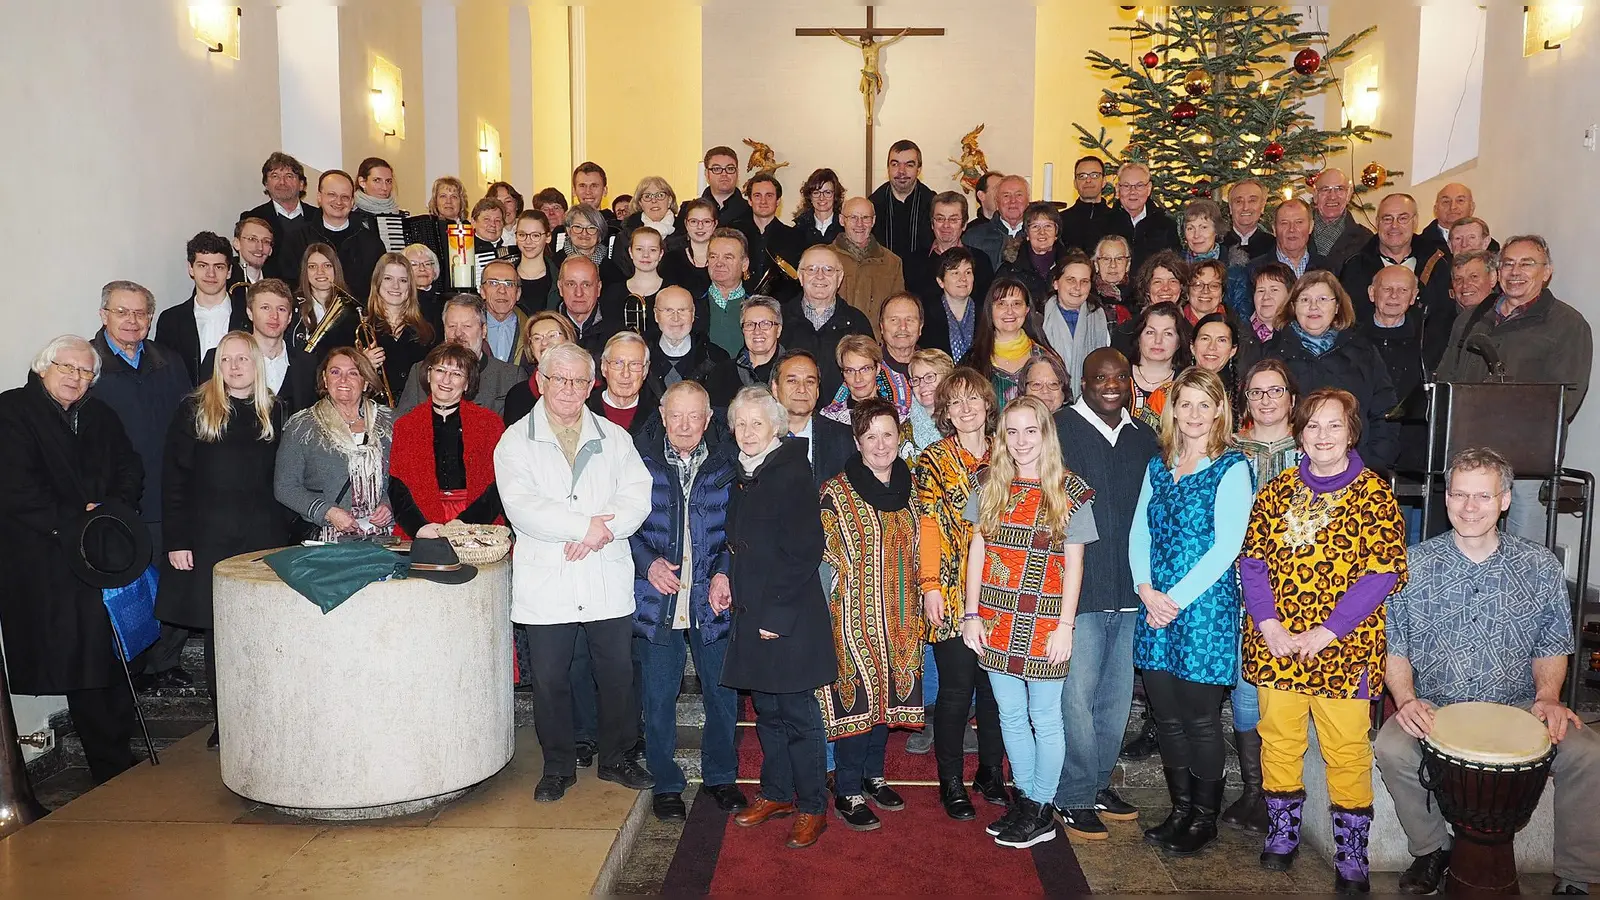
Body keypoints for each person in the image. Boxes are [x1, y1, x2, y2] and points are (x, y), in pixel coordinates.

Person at [1376, 447, 1600, 896]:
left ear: (1504, 500)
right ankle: (1432, 849)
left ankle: (1578, 875)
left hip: (1519, 705)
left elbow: (1552, 644)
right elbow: (1393, 645)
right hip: (1438, 704)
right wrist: (1406, 699)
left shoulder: (1540, 567)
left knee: (1587, 753)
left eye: (1482, 496)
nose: (1469, 507)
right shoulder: (1412, 565)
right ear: (1447, 499)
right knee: (1392, 747)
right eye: (1460, 495)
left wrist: (1549, 698)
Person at [1240, 387, 1408, 893]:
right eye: (1312, 425)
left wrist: (1327, 630)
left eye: (1334, 425)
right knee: (1279, 739)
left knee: (1348, 749)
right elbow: (1252, 563)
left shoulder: (1374, 493)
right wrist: (1269, 625)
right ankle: (1283, 833)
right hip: (1278, 644)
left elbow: (1382, 573)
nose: (1322, 436)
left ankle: (1351, 851)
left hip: (1344, 647)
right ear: (1299, 432)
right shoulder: (1278, 490)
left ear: (1351, 432)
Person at [493, 342, 654, 803]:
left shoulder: (615, 438)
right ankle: (558, 766)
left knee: (617, 672)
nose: (568, 388)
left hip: (604, 574)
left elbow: (637, 496)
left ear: (591, 385)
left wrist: (597, 534)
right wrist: (585, 527)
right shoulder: (515, 441)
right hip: (549, 578)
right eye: (558, 379)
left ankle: (618, 758)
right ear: (541, 382)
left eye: (578, 380)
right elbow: (523, 508)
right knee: (550, 679)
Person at [0, 335, 143, 784]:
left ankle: (118, 754)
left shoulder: (99, 415)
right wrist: (71, 519)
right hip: (46, 559)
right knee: (79, 660)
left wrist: (111, 512)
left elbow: (130, 467)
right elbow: (15, 486)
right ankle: (109, 763)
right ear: (44, 367)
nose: (77, 378)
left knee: (111, 652)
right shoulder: (11, 412)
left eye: (86, 373)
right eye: (68, 368)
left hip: (99, 549)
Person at [963, 395, 1097, 849]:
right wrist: (971, 613)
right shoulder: (988, 485)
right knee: (1010, 716)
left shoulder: (1069, 490)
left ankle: (1041, 806)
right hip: (997, 620)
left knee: (1045, 717)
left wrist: (1066, 626)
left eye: (1031, 431)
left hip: (1044, 623)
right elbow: (977, 552)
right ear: (1002, 437)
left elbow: (1074, 566)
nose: (1021, 441)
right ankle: (1025, 798)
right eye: (1012, 432)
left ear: (1046, 434)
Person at [1128, 367, 1252, 857]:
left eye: (1206, 404)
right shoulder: (1159, 464)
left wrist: (1173, 599)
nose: (1195, 414)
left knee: (1200, 720)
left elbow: (1227, 546)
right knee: (1168, 718)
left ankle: (1205, 818)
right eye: (1186, 404)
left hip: (1203, 612)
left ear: (1220, 410)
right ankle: (1180, 809)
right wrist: (1145, 588)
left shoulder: (1232, 468)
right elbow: (1140, 529)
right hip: (1154, 607)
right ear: (1172, 409)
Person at [158, 330, 287, 749]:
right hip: (208, 538)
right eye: (226, 360)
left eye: (243, 359)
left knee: (264, 633)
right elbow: (173, 481)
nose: (234, 367)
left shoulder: (276, 410)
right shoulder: (195, 410)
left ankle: (266, 717)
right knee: (220, 636)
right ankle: (225, 721)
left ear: (256, 363)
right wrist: (177, 540)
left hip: (262, 540)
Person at [1051, 348, 1161, 840]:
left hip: (1132, 589)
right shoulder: (1058, 428)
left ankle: (1097, 785)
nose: (1112, 384)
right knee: (1076, 699)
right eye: (1101, 377)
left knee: (1115, 702)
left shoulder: (1145, 437)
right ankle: (1072, 794)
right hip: (1079, 591)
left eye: (1120, 377)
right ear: (1083, 381)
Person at [722, 386, 835, 850]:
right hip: (754, 615)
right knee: (767, 711)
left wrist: (777, 616)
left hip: (786, 617)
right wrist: (723, 576)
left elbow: (806, 551)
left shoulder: (790, 473)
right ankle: (775, 793)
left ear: (776, 428)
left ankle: (811, 806)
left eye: (757, 423)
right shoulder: (746, 473)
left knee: (797, 714)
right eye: (741, 423)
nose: (748, 432)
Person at [631, 380, 747, 822]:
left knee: (722, 695)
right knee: (658, 699)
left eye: (694, 415)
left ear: (708, 419)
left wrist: (724, 571)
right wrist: (648, 563)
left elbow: (738, 529)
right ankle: (666, 783)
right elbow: (624, 526)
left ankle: (721, 778)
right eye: (675, 414)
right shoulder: (638, 463)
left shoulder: (727, 464)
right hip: (656, 600)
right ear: (662, 415)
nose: (684, 424)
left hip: (711, 601)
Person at [1437, 235, 1593, 541]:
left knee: (1523, 543)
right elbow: (1446, 378)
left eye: (1527, 263)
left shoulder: (1567, 324)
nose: (1515, 271)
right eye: (1508, 263)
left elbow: (1567, 399)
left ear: (1546, 272)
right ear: (1497, 272)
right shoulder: (1471, 319)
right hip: (1467, 452)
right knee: (1466, 535)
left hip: (1527, 460)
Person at [818, 397, 924, 831]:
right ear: (857, 441)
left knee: (890, 700)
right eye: (870, 436)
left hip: (904, 617)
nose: (880, 445)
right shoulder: (835, 492)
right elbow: (822, 562)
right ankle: (846, 788)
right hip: (852, 616)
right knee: (857, 702)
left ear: (900, 437)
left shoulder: (915, 488)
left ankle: (874, 775)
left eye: (888, 434)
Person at [910, 368, 1005, 815]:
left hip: (1004, 591)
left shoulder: (1009, 452)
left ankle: (991, 773)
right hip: (949, 588)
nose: (966, 409)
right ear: (945, 412)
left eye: (973, 400)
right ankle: (950, 781)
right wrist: (929, 586)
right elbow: (926, 525)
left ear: (988, 405)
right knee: (956, 689)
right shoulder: (931, 460)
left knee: (995, 691)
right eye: (955, 403)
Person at [92, 281, 195, 687]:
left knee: (177, 586)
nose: (133, 321)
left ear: (151, 318)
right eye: (123, 312)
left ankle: (164, 662)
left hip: (169, 496)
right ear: (104, 315)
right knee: (129, 592)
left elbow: (189, 424)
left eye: (140, 313)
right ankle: (134, 669)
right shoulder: (88, 365)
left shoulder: (169, 361)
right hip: (116, 501)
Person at [1220, 357, 1302, 835]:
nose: (1267, 399)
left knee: (1284, 686)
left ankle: (1280, 788)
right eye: (1257, 391)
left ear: (1292, 397)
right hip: (1239, 578)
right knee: (1247, 682)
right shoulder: (1230, 450)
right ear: (1245, 399)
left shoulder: (1315, 448)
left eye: (1275, 391)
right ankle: (1254, 790)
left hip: (1299, 585)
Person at [1259, 271, 1399, 470]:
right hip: (1290, 467)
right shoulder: (1273, 354)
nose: (1313, 306)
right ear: (1293, 307)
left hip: (1357, 466)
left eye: (1323, 299)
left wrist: (1373, 460)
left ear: (1337, 307)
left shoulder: (1363, 352)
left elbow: (1385, 410)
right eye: (1305, 299)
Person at [273, 348, 395, 542]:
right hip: (327, 539)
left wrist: (390, 505)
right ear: (325, 378)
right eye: (335, 372)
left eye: (353, 373)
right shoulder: (302, 426)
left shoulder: (391, 422)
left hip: (385, 539)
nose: (343, 380)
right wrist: (327, 512)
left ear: (365, 382)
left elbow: (408, 478)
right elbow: (285, 487)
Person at [389, 342, 504, 541]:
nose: (446, 380)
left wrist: (466, 522)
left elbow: (501, 484)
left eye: (457, 374)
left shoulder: (490, 423)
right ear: (428, 374)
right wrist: (418, 527)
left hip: (477, 523)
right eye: (440, 370)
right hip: (424, 523)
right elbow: (397, 486)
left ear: (467, 383)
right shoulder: (406, 425)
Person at [201, 279, 318, 418]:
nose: (274, 316)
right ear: (249, 313)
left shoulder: (308, 364)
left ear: (290, 317)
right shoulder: (217, 358)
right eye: (265, 308)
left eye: (281, 309)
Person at [396, 294, 521, 417]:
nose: (458, 333)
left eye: (467, 326)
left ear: (484, 331)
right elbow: (402, 426)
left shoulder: (510, 377)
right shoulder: (420, 371)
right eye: (452, 326)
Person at [781, 245, 875, 405]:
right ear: (800, 276)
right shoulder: (779, 320)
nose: (820, 276)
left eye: (828, 270)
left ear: (840, 277)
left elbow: (869, 377)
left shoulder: (857, 322)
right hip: (791, 419)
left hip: (846, 419)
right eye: (811, 269)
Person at [155, 231, 251, 383]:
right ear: (191, 268)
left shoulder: (249, 315)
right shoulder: (170, 320)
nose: (210, 274)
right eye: (203, 266)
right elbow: (164, 376)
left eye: (218, 267)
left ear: (229, 271)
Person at [1338, 193, 1449, 324]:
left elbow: (1445, 319)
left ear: (1415, 221)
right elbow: (1347, 319)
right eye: (1387, 219)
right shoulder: (1355, 266)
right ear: (1377, 222)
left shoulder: (1436, 264)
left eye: (1402, 218)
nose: (1394, 226)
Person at [275, 170, 386, 298]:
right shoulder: (296, 239)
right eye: (332, 194)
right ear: (319, 197)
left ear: (352, 202)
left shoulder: (372, 243)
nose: (338, 202)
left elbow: (379, 289)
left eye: (345, 197)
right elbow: (288, 287)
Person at [770, 349, 855, 491]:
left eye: (810, 382)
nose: (802, 389)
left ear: (817, 390)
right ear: (775, 388)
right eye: (792, 381)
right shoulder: (759, 436)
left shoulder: (842, 437)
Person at [362, 252, 439, 403]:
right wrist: (362, 365)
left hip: (419, 412)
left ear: (410, 287)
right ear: (377, 282)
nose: (395, 286)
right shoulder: (360, 327)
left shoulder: (429, 329)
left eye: (403, 280)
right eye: (388, 278)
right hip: (376, 414)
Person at [967, 276, 1056, 405]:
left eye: (1016, 304)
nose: (1009, 311)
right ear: (990, 310)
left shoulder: (1047, 358)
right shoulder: (972, 361)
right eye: (1001, 304)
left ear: (1027, 310)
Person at [1040, 251, 1112, 395]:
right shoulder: (1038, 318)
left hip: (1092, 400)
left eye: (1084, 281)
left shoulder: (1104, 318)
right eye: (1071, 280)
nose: (1077, 287)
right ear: (1056, 283)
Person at [905, 192, 994, 307]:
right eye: (940, 219)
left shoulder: (980, 260)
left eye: (953, 220)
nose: (946, 225)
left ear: (964, 224)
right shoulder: (912, 262)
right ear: (932, 223)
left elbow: (987, 307)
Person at [240, 151, 318, 282]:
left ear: (301, 184)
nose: (282, 182)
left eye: (289, 176)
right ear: (266, 184)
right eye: (275, 176)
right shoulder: (252, 218)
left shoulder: (318, 217)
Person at [833, 196, 906, 327]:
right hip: (834, 343)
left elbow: (897, 311)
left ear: (873, 221)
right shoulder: (826, 258)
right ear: (842, 220)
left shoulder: (892, 263)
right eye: (853, 217)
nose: (859, 224)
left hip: (875, 344)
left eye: (866, 218)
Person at [647, 285, 728, 398]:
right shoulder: (640, 358)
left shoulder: (717, 359)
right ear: (656, 315)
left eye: (682, 310)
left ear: (693, 314)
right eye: (668, 310)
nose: (676, 318)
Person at [707, 295, 785, 408]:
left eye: (765, 324)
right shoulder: (721, 374)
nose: (757, 331)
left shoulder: (793, 373)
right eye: (749, 325)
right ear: (743, 331)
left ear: (778, 330)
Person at [503, 311, 577, 426]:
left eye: (552, 335)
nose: (545, 342)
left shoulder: (589, 390)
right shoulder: (517, 396)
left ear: (568, 340)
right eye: (537, 338)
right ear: (531, 348)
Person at [820, 334, 911, 426]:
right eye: (850, 371)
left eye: (865, 369)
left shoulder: (900, 416)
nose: (858, 379)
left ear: (878, 368)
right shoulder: (828, 417)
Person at [1127, 302, 1191, 430]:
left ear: (1179, 342)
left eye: (1168, 334)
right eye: (1150, 332)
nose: (1158, 340)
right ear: (1139, 337)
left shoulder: (1187, 384)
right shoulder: (1118, 377)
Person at [997, 202, 1069, 312]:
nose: (1042, 232)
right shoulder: (1010, 269)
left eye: (1048, 226)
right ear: (1027, 233)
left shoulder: (1070, 267)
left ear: (1056, 232)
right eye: (1035, 227)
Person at [1110, 161, 1181, 274]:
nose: (1132, 192)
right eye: (1126, 186)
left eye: (1139, 186)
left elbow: (1174, 268)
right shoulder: (1102, 224)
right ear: (1118, 189)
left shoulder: (1166, 226)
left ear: (1149, 189)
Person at [869, 139, 935, 259]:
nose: (901, 171)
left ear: (919, 169)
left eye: (909, 165)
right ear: (888, 168)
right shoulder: (873, 204)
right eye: (895, 164)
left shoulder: (932, 204)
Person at [293, 243, 360, 358]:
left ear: (336, 269)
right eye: (312, 266)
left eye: (327, 266)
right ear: (305, 272)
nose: (320, 272)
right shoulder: (293, 306)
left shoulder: (353, 312)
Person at [916, 247, 981, 362]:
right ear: (940, 281)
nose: (963, 279)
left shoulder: (985, 312)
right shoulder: (926, 315)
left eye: (968, 272)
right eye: (955, 273)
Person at [587, 331, 658, 435]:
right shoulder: (584, 410)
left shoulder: (658, 415)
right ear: (604, 367)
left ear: (645, 370)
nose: (626, 374)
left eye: (634, 364)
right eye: (618, 363)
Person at [554, 255, 620, 358]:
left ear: (598, 288)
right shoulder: (546, 331)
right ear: (560, 287)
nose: (579, 293)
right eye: (571, 284)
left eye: (586, 285)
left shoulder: (617, 334)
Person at [700, 228, 752, 355]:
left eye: (728, 257)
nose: (719, 263)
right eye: (713, 256)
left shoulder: (758, 308)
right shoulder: (692, 305)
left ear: (744, 264)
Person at [1309, 169, 1373, 274]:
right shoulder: (1298, 233)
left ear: (1348, 195)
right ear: (1315, 195)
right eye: (1325, 189)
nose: (1332, 196)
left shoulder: (1365, 238)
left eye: (1339, 189)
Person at [963, 174, 1029, 270]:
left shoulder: (1039, 236)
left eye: (1019, 195)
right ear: (997, 201)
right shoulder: (973, 237)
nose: (1013, 201)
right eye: (1006, 195)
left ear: (1028, 200)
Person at [1060, 156, 1122, 257]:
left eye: (1094, 175)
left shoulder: (1117, 219)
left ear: (1104, 181)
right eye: (1082, 176)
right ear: (1075, 183)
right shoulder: (1061, 220)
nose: (1088, 180)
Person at [745, 173, 801, 282]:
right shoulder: (736, 235)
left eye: (769, 195)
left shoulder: (795, 238)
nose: (763, 201)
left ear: (778, 201)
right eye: (757, 196)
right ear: (749, 201)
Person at [660, 198, 718, 298]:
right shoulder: (671, 259)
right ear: (686, 224)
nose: (700, 227)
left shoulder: (723, 260)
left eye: (706, 221)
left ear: (715, 224)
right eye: (694, 221)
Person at [903, 348, 954, 456]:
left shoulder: (963, 418)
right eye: (916, 379)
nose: (922, 385)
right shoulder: (903, 427)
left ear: (947, 379)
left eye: (929, 377)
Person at [619, 226, 667, 337]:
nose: (646, 255)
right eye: (639, 249)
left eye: (653, 250)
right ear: (630, 252)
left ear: (661, 254)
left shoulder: (673, 292)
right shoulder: (613, 293)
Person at [620, 175, 683, 259]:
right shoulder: (627, 233)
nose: (654, 200)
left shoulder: (685, 232)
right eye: (647, 196)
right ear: (640, 203)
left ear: (669, 200)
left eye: (660, 195)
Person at [564, 204, 625, 287]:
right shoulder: (556, 263)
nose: (584, 233)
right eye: (578, 227)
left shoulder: (613, 265)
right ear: (568, 230)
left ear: (599, 232)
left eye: (591, 228)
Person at [356, 157, 409, 253]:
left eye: (388, 181)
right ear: (362, 182)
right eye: (377, 180)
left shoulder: (400, 215)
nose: (384, 187)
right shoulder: (351, 215)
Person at [512, 210, 559, 315]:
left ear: (548, 237)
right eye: (522, 234)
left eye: (535, 235)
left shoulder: (560, 276)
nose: (528, 241)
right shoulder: (506, 276)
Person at [1243, 262, 1295, 347]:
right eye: (1261, 291)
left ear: (1290, 295)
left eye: (1274, 290)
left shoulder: (1300, 336)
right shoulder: (1239, 333)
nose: (1266, 297)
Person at [793, 167, 846, 250]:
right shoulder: (799, 228)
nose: (821, 198)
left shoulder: (845, 227)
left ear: (835, 195)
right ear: (810, 196)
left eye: (827, 192)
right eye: (816, 193)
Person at [1223, 180, 1275, 265]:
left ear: (1262, 207)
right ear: (1230, 208)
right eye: (1239, 201)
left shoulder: (1273, 245)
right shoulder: (1217, 244)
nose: (1245, 207)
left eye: (1252, 201)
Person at [1091, 235, 1137, 326]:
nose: (1113, 265)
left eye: (1119, 259)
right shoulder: (1088, 297)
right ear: (1096, 265)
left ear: (1128, 265)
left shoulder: (1139, 298)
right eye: (1106, 259)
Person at [1191, 313, 1241, 397]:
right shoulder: (1173, 389)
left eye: (1221, 340)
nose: (1212, 347)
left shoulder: (1243, 393)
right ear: (1192, 346)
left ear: (1233, 350)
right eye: (1205, 338)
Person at [402, 242, 447, 335]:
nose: (422, 268)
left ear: (434, 270)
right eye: (414, 264)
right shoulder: (399, 303)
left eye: (427, 264)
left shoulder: (446, 301)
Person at [878, 291, 923, 376]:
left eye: (909, 320)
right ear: (882, 327)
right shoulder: (867, 370)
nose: (903, 327)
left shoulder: (936, 368)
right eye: (894, 320)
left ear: (920, 327)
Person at [1422, 182, 1476, 248]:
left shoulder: (1486, 246)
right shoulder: (1418, 246)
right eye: (1446, 201)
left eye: (1460, 200)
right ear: (1435, 209)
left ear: (1472, 208)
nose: (1453, 207)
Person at [1448, 248, 1499, 315]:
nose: (1465, 285)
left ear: (1492, 278)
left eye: (1474, 277)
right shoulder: (1441, 318)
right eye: (1458, 279)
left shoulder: (1502, 318)